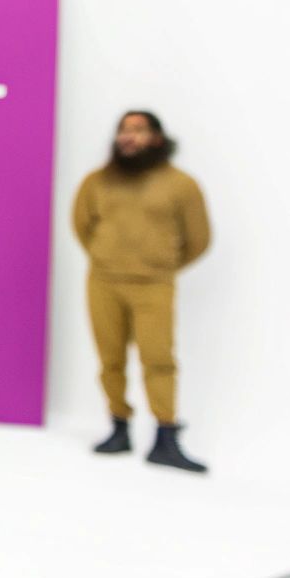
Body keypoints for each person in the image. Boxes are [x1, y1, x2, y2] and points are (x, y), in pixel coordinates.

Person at [72, 110, 211, 473]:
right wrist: (107, 259)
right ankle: (119, 426)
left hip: (154, 286)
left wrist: (161, 267)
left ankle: (166, 435)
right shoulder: (97, 182)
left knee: (159, 360)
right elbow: (82, 226)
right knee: (110, 359)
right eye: (123, 130)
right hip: (104, 282)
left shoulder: (181, 185)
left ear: (157, 138)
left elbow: (199, 239)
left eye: (137, 130)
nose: (128, 137)